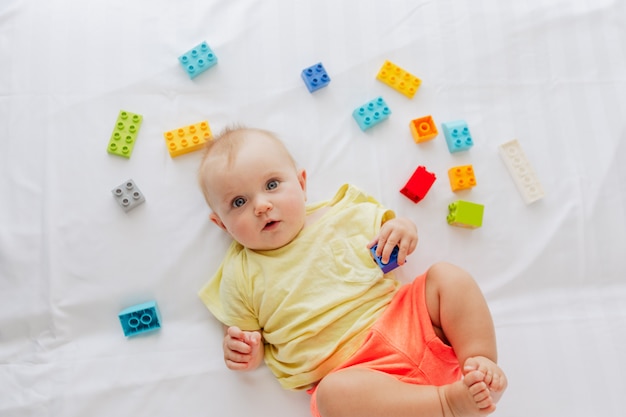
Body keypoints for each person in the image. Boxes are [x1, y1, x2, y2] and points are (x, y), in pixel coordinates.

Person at [197, 126, 507, 417]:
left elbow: (394, 233)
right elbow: (245, 338)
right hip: (353, 374)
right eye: (239, 202)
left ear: (302, 183)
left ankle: (478, 362)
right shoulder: (239, 275)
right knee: (332, 395)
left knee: (446, 277)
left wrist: (404, 228)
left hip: (410, 322)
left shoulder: (344, 214)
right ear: (221, 224)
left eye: (272, 185)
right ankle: (445, 404)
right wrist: (243, 352)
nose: (261, 205)